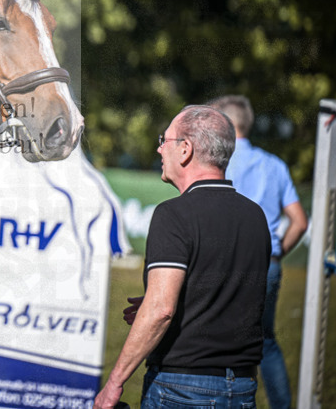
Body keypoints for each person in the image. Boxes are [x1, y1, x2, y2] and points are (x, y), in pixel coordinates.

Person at [94, 105, 271, 409]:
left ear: (185, 149)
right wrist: (164, 307)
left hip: (182, 390)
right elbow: (230, 299)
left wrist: (114, 384)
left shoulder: (172, 215)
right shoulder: (256, 216)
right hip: (242, 389)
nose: (160, 149)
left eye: (165, 140)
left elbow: (162, 310)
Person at [209, 95, 308, 409]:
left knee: (216, 341)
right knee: (265, 343)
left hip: (224, 264)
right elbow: (299, 222)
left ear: (224, 124)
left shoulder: (215, 161)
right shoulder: (275, 164)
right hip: (267, 265)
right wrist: (275, 253)